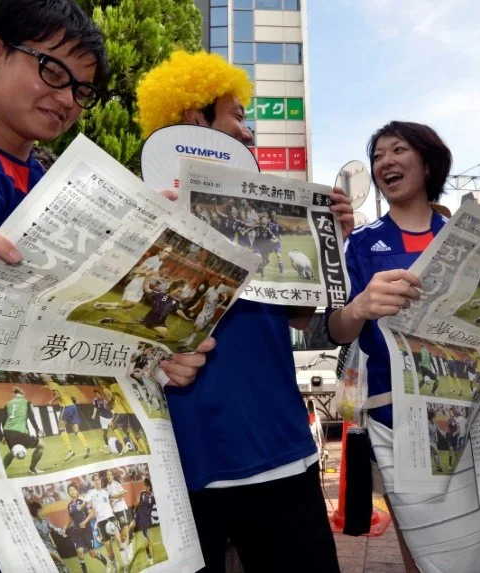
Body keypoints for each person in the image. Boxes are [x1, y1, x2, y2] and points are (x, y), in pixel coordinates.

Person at [0, 3, 211, 569]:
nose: (67, 99)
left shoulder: (68, 193)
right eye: (53, 71)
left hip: (41, 497)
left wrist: (152, 358)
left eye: (82, 90)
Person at [135, 50, 353, 572]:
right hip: (183, 459)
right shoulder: (138, 207)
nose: (249, 132)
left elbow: (302, 317)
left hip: (279, 448)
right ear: (195, 120)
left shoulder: (271, 211)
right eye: (237, 116)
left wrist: (328, 241)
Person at [327, 120, 480, 573]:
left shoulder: (478, 234)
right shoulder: (361, 245)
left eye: (398, 150)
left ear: (428, 163)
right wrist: (362, 306)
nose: (385, 161)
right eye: (378, 155)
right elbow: (337, 329)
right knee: (432, 556)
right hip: (401, 421)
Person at [86, 472, 128, 572]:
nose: (97, 481)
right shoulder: (91, 494)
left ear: (101, 480)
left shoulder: (105, 492)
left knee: (119, 540)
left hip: (111, 519)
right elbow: (88, 508)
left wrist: (122, 493)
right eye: (95, 480)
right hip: (101, 523)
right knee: (109, 550)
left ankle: (126, 564)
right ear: (93, 482)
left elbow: (114, 496)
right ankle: (116, 568)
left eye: (98, 479)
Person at [64, 483, 110, 573]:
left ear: (77, 491)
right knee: (80, 554)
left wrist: (84, 522)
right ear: (68, 493)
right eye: (70, 490)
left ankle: (106, 562)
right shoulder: (69, 505)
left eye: (73, 490)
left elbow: (92, 513)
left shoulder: (82, 501)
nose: (72, 492)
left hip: (86, 531)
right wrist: (65, 527)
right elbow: (71, 518)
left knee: (92, 554)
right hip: (76, 531)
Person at [1, 387, 45, 475]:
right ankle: (32, 469)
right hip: (18, 432)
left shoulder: (8, 403)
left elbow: (3, 420)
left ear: (14, 395)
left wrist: (4, 435)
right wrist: (38, 430)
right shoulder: (26, 402)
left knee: (13, 451)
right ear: (22, 394)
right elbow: (31, 417)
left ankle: (1, 471)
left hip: (7, 431)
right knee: (41, 446)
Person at [28, 500, 70, 573]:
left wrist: (61, 531)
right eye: (39, 512)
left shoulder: (45, 520)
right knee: (60, 561)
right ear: (35, 513)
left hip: (50, 547)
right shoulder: (33, 525)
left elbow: (53, 528)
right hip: (43, 549)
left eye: (41, 511)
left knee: (60, 566)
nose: (42, 513)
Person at [105, 469, 134, 563]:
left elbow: (124, 493)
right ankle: (127, 554)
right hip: (114, 513)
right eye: (107, 475)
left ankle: (130, 552)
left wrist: (113, 497)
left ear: (113, 476)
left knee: (125, 534)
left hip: (121, 510)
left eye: (110, 474)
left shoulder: (116, 484)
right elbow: (110, 500)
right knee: (121, 536)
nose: (109, 476)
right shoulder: (107, 487)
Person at [134, 477, 158, 566]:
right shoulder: (142, 493)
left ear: (149, 486)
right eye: (144, 485)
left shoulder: (152, 497)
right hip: (139, 516)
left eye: (147, 486)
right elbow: (137, 503)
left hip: (146, 518)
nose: (145, 487)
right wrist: (134, 510)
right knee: (132, 526)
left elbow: (154, 507)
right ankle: (128, 541)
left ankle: (150, 557)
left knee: (146, 538)